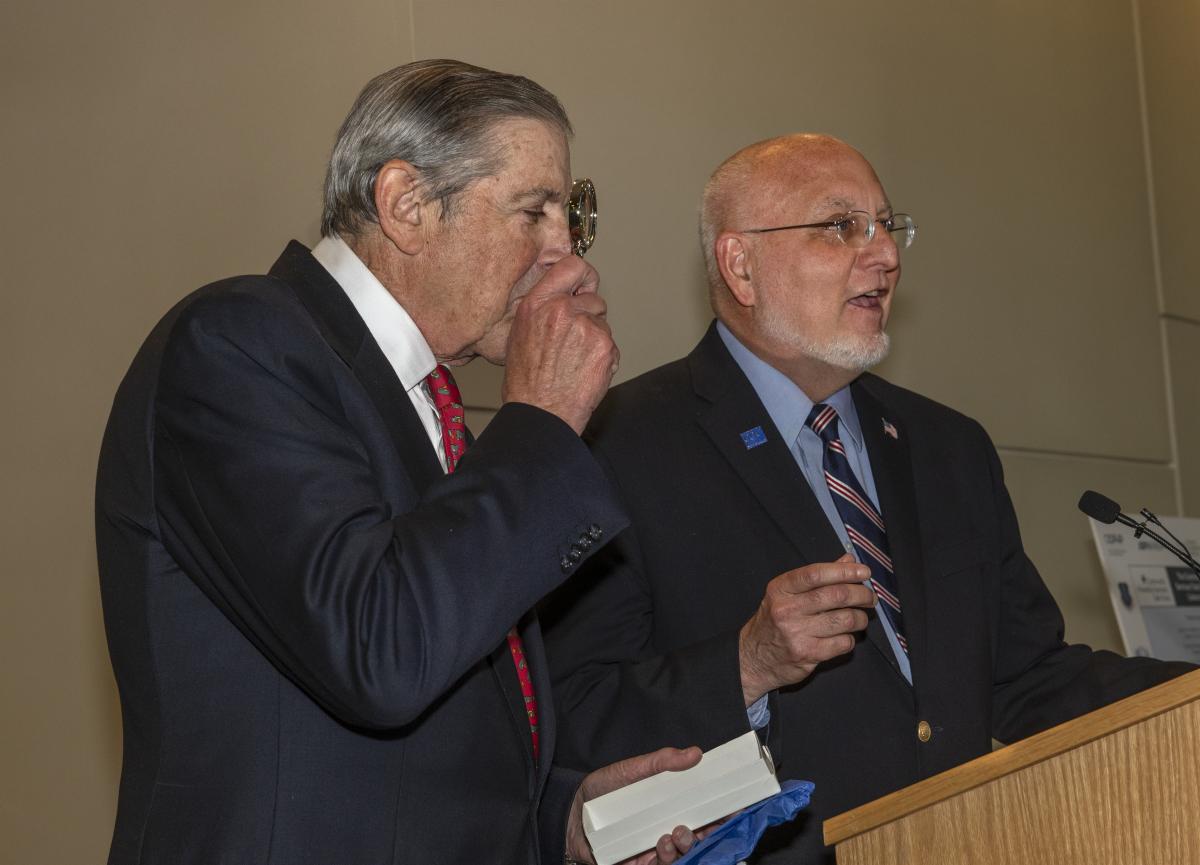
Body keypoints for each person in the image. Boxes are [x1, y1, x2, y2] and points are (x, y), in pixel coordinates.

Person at [95, 59, 702, 865]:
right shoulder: (240, 343)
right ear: (407, 205)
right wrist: (543, 419)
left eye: (573, 212)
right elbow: (378, 649)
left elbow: (436, 710)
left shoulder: (429, 404)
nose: (565, 251)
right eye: (535, 209)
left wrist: (562, 816)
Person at [542, 133, 1195, 863]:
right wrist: (743, 663)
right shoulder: (618, 444)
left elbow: (1029, 676)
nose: (885, 254)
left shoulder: (949, 448)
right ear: (741, 265)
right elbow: (572, 713)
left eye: (888, 225)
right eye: (841, 227)